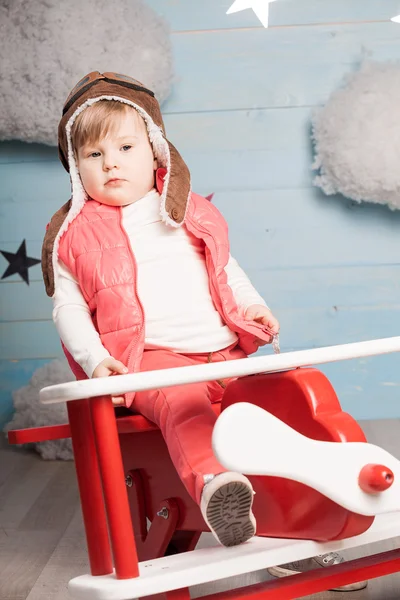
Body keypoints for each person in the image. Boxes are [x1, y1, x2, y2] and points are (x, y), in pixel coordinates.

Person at [41, 72, 367, 588]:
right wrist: (95, 359)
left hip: (225, 350)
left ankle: (309, 526)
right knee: (184, 404)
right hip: (152, 359)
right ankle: (218, 489)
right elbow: (69, 310)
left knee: (280, 407)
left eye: (125, 147)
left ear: (155, 152)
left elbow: (226, 267)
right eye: (93, 155)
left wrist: (254, 308)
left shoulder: (186, 211)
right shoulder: (73, 236)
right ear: (76, 169)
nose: (111, 164)